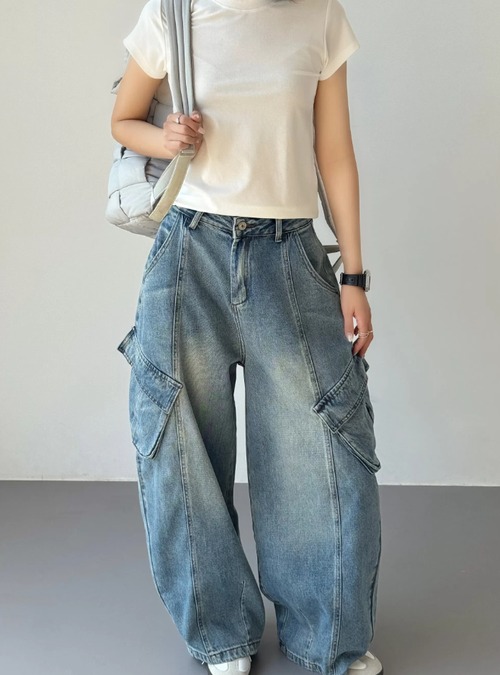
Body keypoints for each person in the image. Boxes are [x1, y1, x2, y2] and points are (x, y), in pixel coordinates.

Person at [111, 1, 384, 674]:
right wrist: (167, 138)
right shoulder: (174, 11)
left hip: (291, 251)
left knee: (319, 448)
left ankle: (326, 637)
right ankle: (220, 632)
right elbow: (123, 119)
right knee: (181, 444)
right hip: (190, 248)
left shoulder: (319, 15)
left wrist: (353, 274)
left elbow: (335, 153)